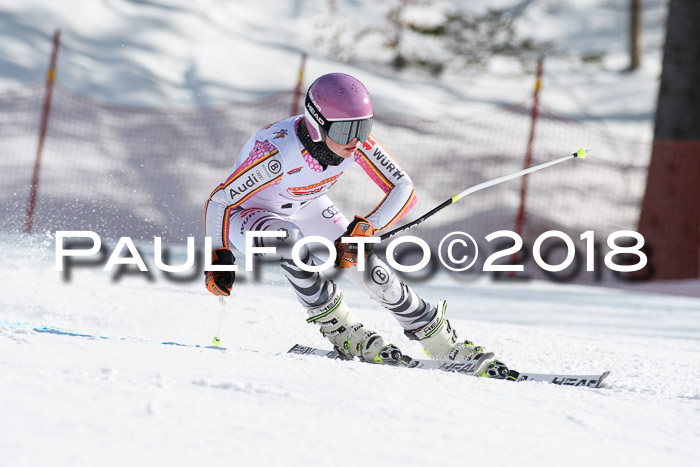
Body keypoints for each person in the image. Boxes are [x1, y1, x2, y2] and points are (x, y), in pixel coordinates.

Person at [203, 72, 507, 376]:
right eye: (347, 129)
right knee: (290, 241)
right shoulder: (277, 154)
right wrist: (219, 256)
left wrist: (367, 228)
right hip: (249, 216)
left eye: (364, 126)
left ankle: (440, 340)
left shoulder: (355, 143)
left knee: (368, 266)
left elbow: (403, 188)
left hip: (305, 204)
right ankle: (341, 330)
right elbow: (220, 200)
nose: (356, 140)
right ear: (316, 125)